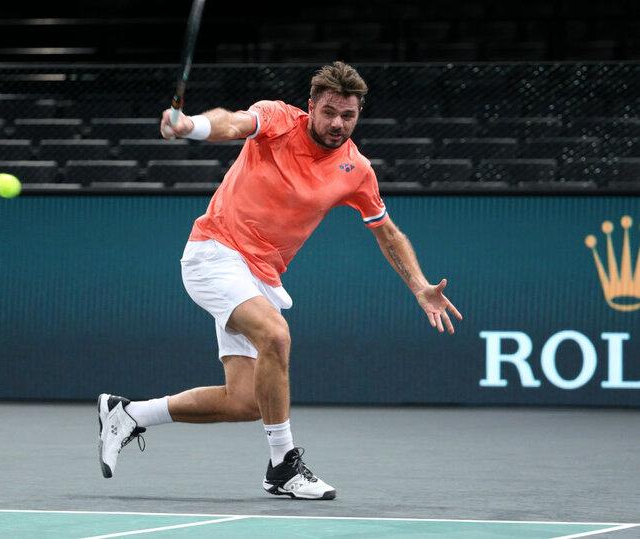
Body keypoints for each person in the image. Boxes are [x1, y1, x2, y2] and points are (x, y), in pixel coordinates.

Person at [97, 61, 462, 500]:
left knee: (246, 402)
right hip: (215, 253)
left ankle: (128, 414)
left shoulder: (356, 169)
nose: (337, 123)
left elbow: (386, 231)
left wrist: (419, 285)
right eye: (329, 112)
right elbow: (231, 123)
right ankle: (283, 468)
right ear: (311, 106)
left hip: (261, 275)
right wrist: (191, 125)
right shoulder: (277, 119)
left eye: (348, 115)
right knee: (276, 334)